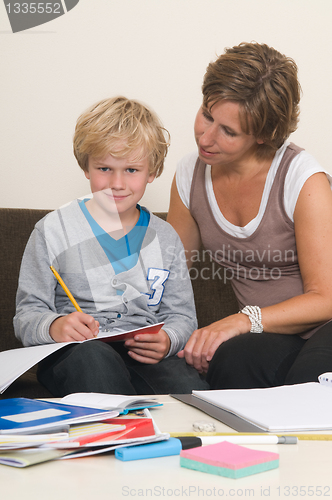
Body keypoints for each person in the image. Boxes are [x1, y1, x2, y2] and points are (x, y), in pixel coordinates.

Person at [14, 96, 209, 396]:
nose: (117, 183)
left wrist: (168, 339)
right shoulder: (52, 231)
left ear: (152, 172)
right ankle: (114, 439)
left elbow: (182, 316)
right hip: (76, 353)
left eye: (131, 170)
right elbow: (27, 314)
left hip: (141, 355)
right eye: (105, 168)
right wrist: (55, 326)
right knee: (95, 363)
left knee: (188, 388)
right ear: (86, 167)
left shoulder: (166, 237)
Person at [167, 42, 332, 389]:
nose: (206, 138)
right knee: (231, 362)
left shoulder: (303, 180)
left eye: (228, 131)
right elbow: (170, 276)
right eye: (207, 115)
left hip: (325, 323)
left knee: (310, 384)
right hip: (275, 334)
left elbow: (325, 299)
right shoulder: (188, 176)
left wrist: (243, 320)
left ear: (264, 135)